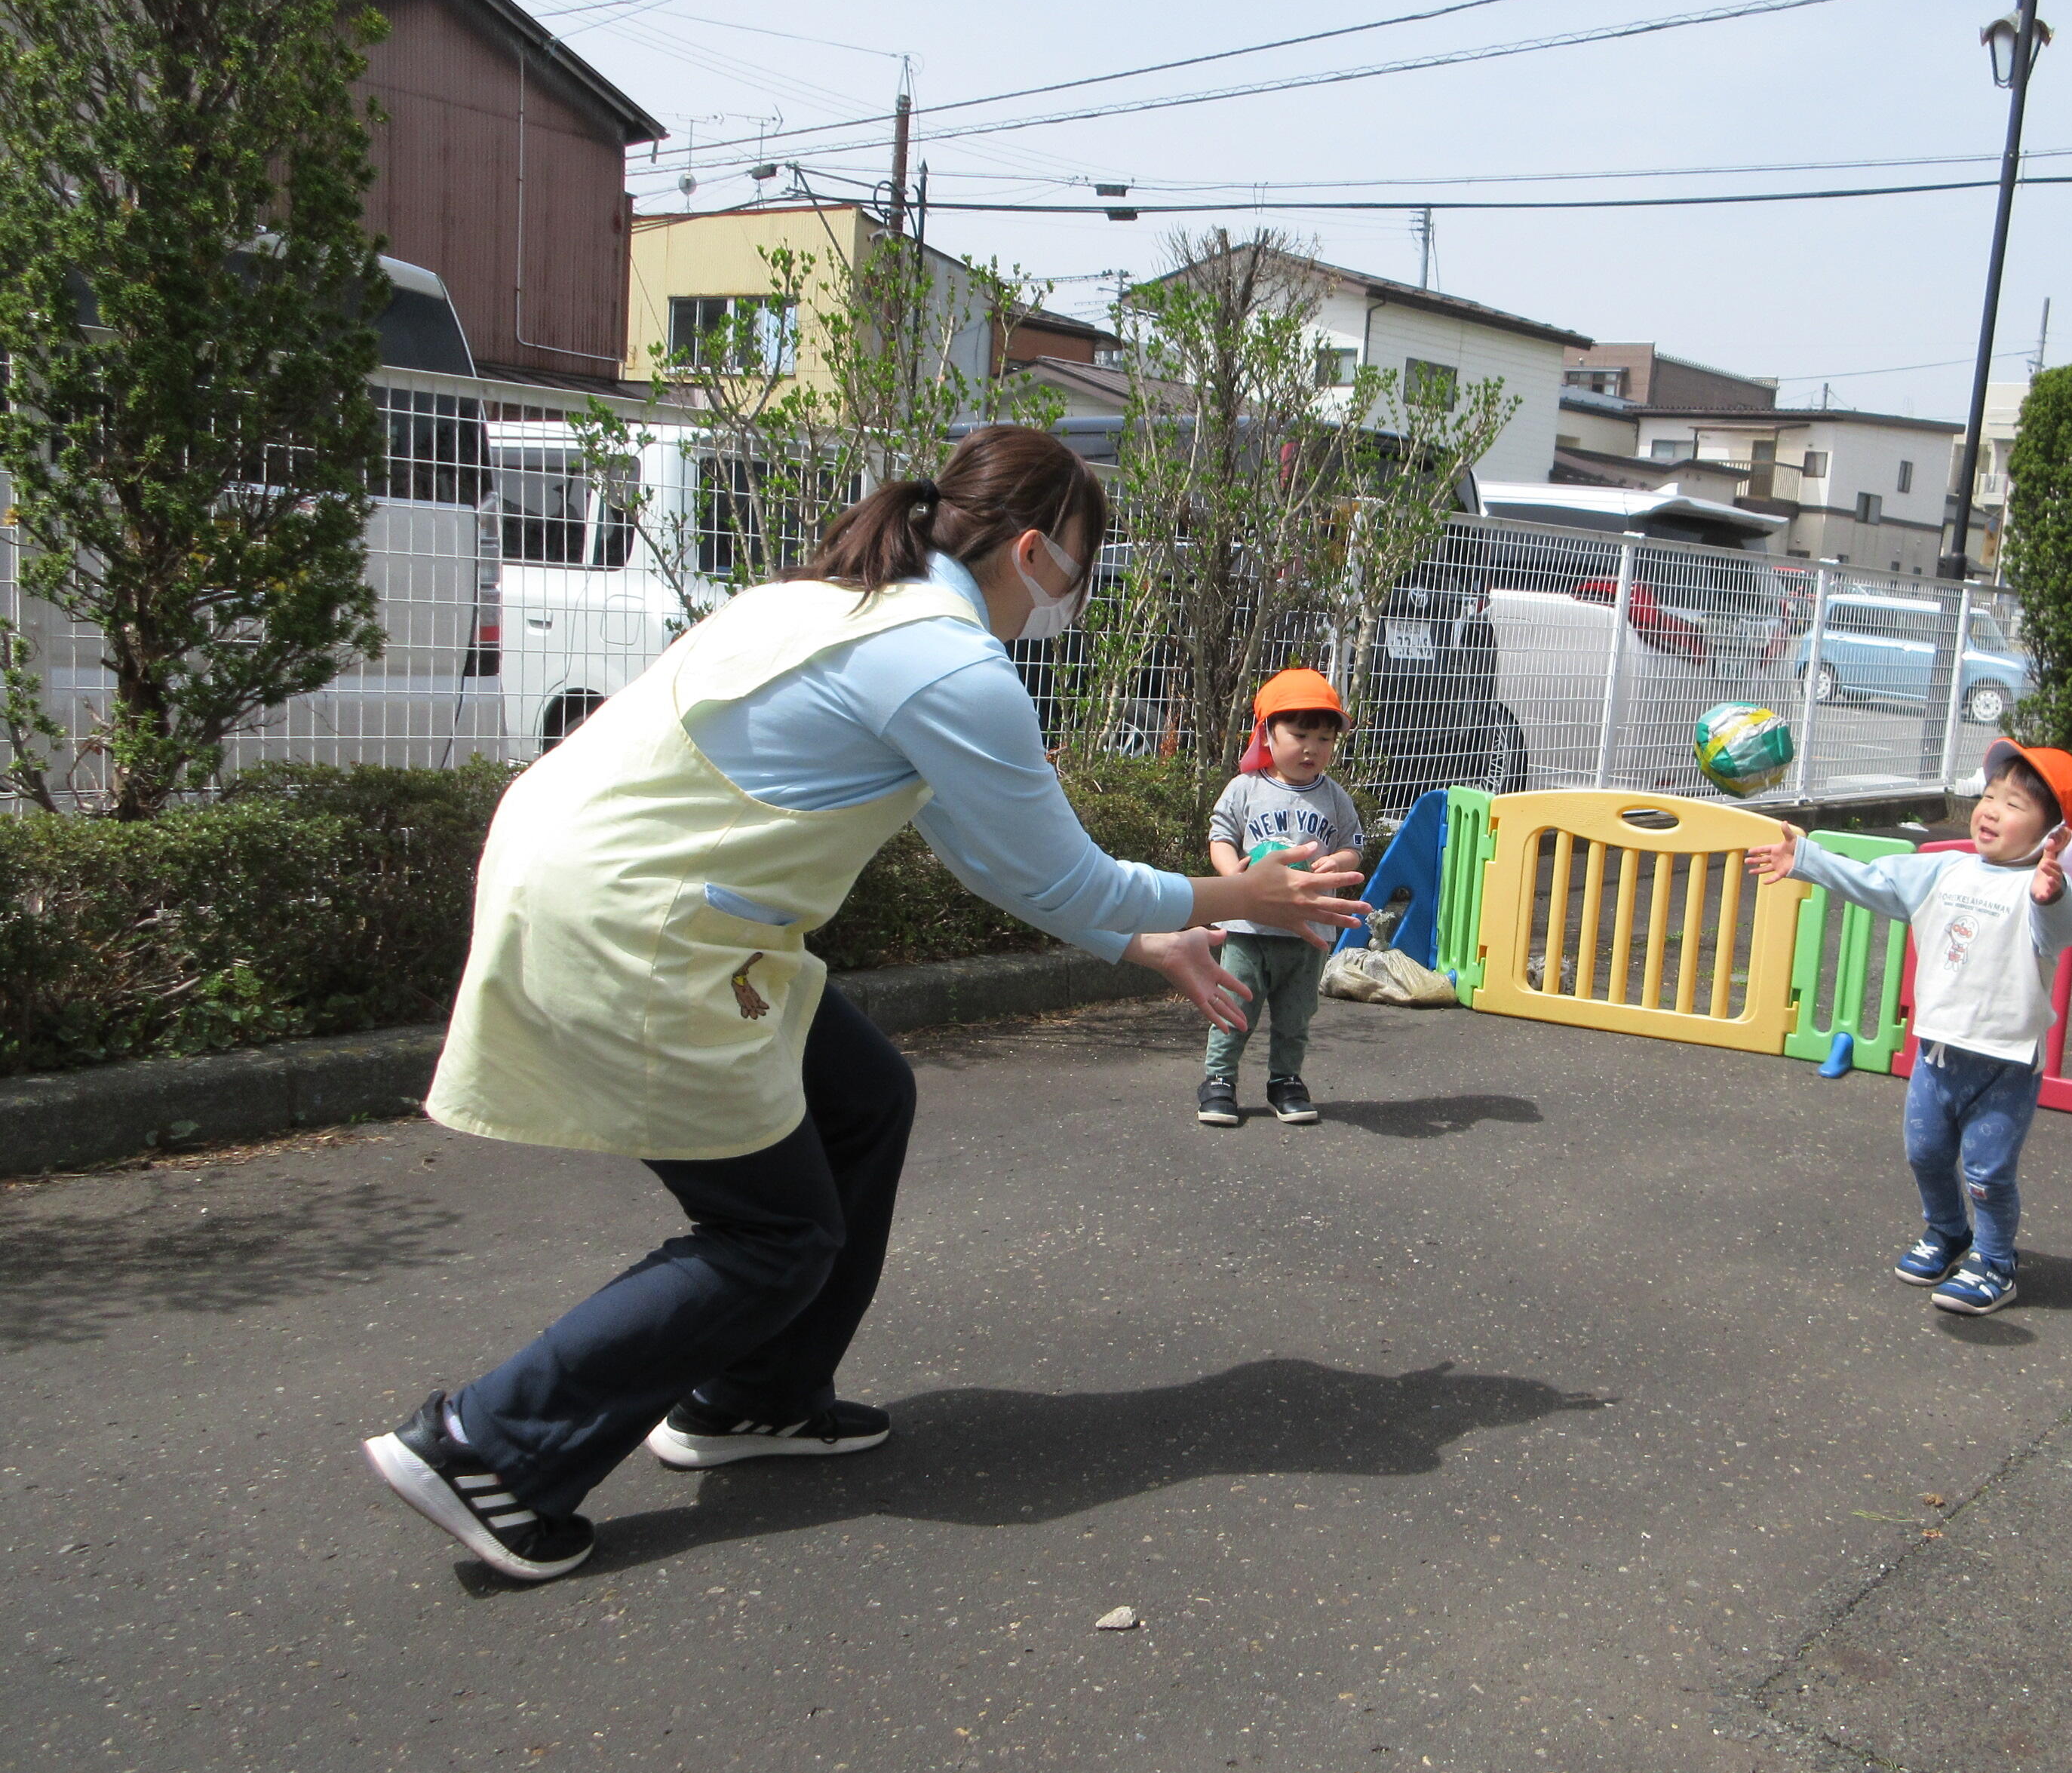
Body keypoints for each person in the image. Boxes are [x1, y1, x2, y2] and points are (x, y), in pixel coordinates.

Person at [361, 427, 1371, 1582]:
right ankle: (487, 1446)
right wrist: (1237, 893)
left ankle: (755, 1400)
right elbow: (1057, 873)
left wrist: (1149, 941)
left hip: (628, 889)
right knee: (772, 1234)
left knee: (861, 1096)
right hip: (648, 924)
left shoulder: (837, 603)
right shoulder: (945, 658)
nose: (1069, 604)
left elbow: (980, 844)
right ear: (1032, 550)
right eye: (1079, 575)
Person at [1745, 739, 2072, 1316]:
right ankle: (1947, 1232)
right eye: (1988, 796)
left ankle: (1996, 1263)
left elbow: (2064, 930)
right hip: (1937, 1053)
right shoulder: (1947, 869)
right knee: (1926, 1154)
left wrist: (2053, 893)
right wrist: (1807, 860)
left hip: (2005, 1062)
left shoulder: (2041, 892)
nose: (1989, 810)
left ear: (2053, 836)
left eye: (2014, 805)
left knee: (1987, 1172)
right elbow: (1880, 883)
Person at [1197, 667, 1365, 1128]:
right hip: (1249, 926)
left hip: (1309, 930)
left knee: (1296, 1015)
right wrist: (1234, 877)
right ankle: (1219, 1080)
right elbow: (1221, 837)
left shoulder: (1335, 797)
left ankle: (1286, 1080)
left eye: (1326, 739)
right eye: (1300, 734)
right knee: (1235, 1007)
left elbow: (1354, 844)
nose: (1312, 748)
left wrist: (1340, 861)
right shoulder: (1246, 788)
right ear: (1268, 734)